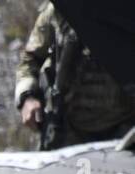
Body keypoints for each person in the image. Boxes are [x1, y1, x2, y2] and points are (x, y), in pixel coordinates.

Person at [16, 2, 135, 148]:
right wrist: (27, 98)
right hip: (68, 129)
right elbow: (30, 59)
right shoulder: (60, 12)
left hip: (126, 129)